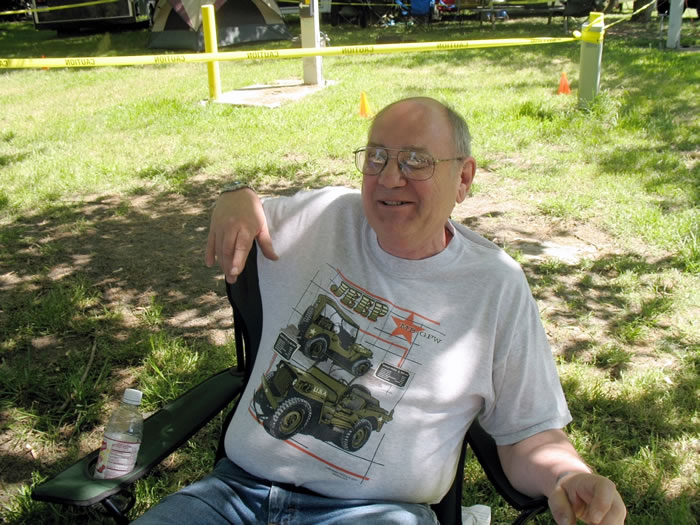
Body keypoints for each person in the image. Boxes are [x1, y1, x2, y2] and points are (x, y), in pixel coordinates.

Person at [135, 97, 626, 525]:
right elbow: (249, 209)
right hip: (234, 494)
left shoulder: (495, 286)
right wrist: (235, 195)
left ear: (463, 178)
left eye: (416, 161)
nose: (390, 177)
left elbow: (528, 434)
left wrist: (568, 476)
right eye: (377, 157)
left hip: (376, 513)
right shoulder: (325, 218)